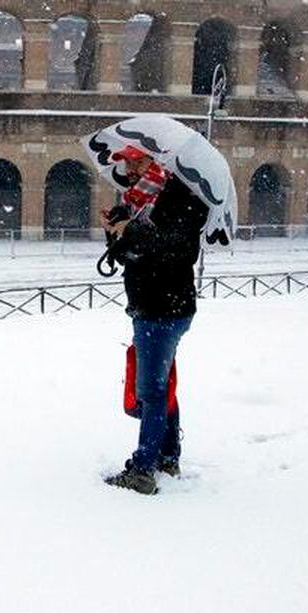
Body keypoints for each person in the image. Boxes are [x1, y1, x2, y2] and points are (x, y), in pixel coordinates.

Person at [102, 146, 208, 495]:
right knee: (162, 384)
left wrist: (129, 231)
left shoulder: (181, 198)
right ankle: (168, 456)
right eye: (127, 161)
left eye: (138, 160)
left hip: (164, 308)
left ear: (158, 162)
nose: (129, 167)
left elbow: (178, 251)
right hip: (150, 305)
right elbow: (129, 254)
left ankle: (144, 470)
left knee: (151, 391)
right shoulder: (136, 201)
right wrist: (116, 228)